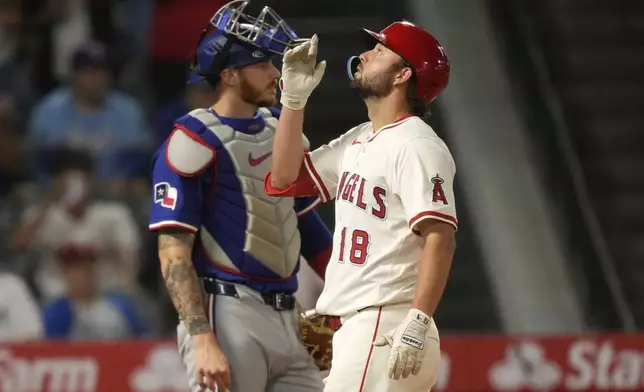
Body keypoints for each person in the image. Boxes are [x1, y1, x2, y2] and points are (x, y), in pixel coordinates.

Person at [148, 1, 333, 391]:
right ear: (230, 74)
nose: (274, 73)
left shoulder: (279, 127)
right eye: (262, 64)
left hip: (290, 313)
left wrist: (348, 297)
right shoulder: (192, 141)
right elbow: (173, 249)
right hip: (228, 310)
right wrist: (201, 338)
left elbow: (307, 226)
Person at [265, 21, 456, 392]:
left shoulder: (416, 144)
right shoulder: (359, 139)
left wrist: (417, 321)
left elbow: (440, 237)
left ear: (403, 75)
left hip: (386, 323)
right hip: (350, 322)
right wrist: (293, 101)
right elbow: (285, 178)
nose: (365, 55)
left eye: (380, 50)